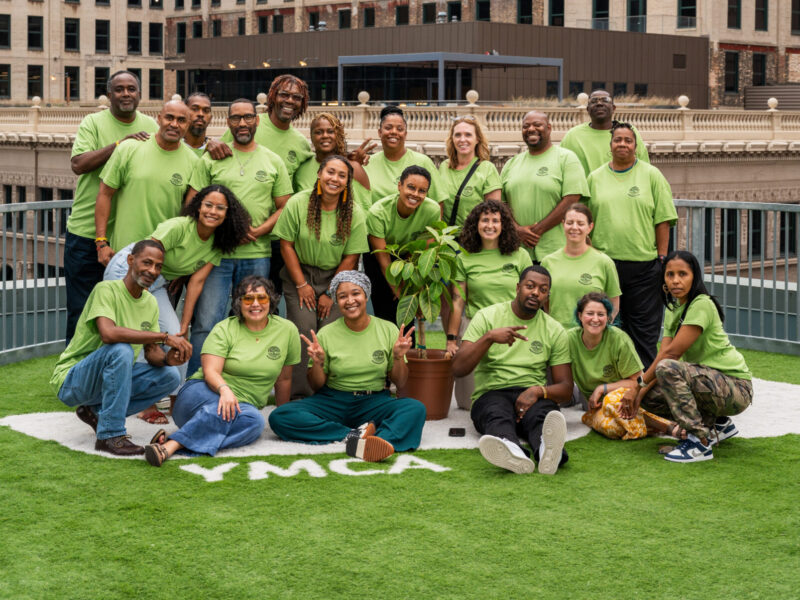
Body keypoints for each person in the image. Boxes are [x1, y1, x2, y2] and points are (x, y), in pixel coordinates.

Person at [103, 185, 252, 420]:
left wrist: (184, 325)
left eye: (220, 208)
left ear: (228, 213)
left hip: (158, 279)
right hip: (130, 270)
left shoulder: (217, 243)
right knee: (137, 335)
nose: (213, 211)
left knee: (177, 338)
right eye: (208, 205)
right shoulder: (178, 227)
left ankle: (174, 400)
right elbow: (148, 257)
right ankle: (144, 404)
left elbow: (196, 283)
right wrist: (138, 295)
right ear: (198, 207)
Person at [50, 240, 192, 455]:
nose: (152, 270)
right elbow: (108, 334)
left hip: (108, 380)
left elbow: (151, 350)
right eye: (147, 263)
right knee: (121, 350)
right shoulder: (106, 289)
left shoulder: (150, 302)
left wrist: (169, 359)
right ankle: (110, 435)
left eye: (158, 266)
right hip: (72, 381)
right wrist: (165, 336)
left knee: (170, 376)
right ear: (130, 260)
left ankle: (97, 413)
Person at [268, 271, 426, 463]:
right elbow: (317, 386)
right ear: (336, 301)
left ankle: (380, 441)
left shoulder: (388, 329)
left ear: (366, 296)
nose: (350, 300)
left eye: (356, 293)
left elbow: (400, 382)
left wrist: (398, 357)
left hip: (374, 400)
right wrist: (318, 363)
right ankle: (354, 436)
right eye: (342, 296)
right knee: (280, 416)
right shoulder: (326, 333)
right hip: (334, 400)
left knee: (415, 408)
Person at [185, 98, 293, 375]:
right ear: (228, 122)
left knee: (254, 321)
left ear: (257, 121)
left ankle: (246, 379)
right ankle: (198, 382)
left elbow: (284, 206)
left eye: (248, 117)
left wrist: (259, 230)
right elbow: (192, 204)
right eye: (236, 118)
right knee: (207, 321)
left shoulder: (273, 161)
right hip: (215, 255)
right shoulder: (212, 158)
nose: (242, 123)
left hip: (257, 256)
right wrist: (225, 231)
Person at [144, 276, 300, 466]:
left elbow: (284, 379)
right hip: (202, 394)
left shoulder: (287, 330)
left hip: (243, 408)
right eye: (248, 299)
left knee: (254, 423)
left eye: (262, 298)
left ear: (272, 300)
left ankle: (176, 440)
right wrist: (225, 390)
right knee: (226, 411)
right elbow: (211, 372)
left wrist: (282, 416)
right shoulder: (224, 328)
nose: (255, 304)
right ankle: (173, 446)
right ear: (238, 303)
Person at [625, 251, 753, 463]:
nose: (676, 280)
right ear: (663, 279)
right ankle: (718, 425)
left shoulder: (701, 303)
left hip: (736, 387)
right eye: (670, 274)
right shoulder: (674, 307)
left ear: (694, 277)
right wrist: (641, 393)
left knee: (667, 368)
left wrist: (637, 386)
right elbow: (663, 353)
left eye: (682, 274)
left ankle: (699, 443)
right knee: (650, 393)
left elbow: (671, 355)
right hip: (711, 383)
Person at [452, 266, 572, 475]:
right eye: (530, 286)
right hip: (492, 393)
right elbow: (459, 368)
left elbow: (565, 388)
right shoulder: (487, 316)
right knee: (497, 415)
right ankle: (512, 451)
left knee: (542, 417)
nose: (536, 293)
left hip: (532, 394)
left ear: (547, 296)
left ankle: (547, 450)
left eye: (543, 289)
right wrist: (488, 338)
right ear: (518, 288)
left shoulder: (554, 329)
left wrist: (537, 391)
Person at [65, 70, 157, 342]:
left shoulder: (152, 126)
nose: (125, 94)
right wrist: (120, 145)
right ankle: (71, 377)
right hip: (86, 234)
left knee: (124, 312)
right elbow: (78, 164)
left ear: (139, 94)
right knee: (81, 310)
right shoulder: (93, 122)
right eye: (119, 89)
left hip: (129, 240)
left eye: (131, 89)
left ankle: (114, 377)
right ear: (109, 95)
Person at [274, 155, 369, 399]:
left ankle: (332, 392)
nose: (334, 179)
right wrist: (302, 285)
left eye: (342, 175)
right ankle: (301, 396)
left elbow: (351, 257)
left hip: (338, 277)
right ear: (319, 174)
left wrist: (330, 292)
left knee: (330, 331)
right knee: (304, 328)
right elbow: (286, 246)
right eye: (330, 172)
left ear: (348, 182)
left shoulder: (353, 212)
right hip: (299, 272)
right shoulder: (298, 203)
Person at [586, 121, 677, 368]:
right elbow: (587, 222)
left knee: (643, 334)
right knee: (606, 327)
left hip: (644, 269)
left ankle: (643, 387)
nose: (622, 144)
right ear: (610, 145)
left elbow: (663, 219)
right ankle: (609, 383)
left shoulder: (651, 175)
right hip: (605, 267)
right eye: (618, 140)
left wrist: (661, 259)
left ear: (636, 146)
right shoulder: (595, 178)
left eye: (628, 140)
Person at [446, 200, 532, 410]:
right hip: (476, 326)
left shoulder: (520, 255)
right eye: (485, 220)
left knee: (517, 398)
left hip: (513, 327)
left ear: (504, 225)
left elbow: (531, 298)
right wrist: (451, 339)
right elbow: (458, 302)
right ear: (476, 224)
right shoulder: (463, 257)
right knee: (468, 404)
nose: (490, 225)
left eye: (496, 220)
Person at [95, 100, 198, 258]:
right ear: (159, 118)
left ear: (188, 124)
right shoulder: (129, 148)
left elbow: (189, 216)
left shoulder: (193, 162)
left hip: (164, 257)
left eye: (182, 120)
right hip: (125, 253)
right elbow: (105, 193)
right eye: (169, 118)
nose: (174, 124)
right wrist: (101, 243)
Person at [568, 292, 676, 440]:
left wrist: (602, 388)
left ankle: (665, 426)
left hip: (625, 397)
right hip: (596, 406)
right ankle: (652, 426)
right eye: (590, 313)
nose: (595, 319)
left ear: (608, 317)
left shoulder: (618, 339)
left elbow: (638, 381)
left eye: (601, 314)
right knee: (611, 429)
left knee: (611, 401)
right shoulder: (569, 339)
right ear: (580, 316)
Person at [500, 110, 588, 262]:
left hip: (555, 251)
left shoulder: (566, 158)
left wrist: (538, 230)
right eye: (526, 126)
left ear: (549, 128)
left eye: (537, 125)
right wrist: (517, 229)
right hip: (517, 251)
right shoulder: (511, 163)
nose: (531, 129)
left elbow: (572, 198)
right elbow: (500, 203)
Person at [365, 165, 440, 330]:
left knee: (408, 312)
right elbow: (384, 260)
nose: (415, 194)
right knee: (387, 303)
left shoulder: (432, 210)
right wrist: (399, 292)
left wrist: (416, 294)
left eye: (422, 191)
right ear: (400, 186)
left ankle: (408, 350)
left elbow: (426, 255)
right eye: (411, 187)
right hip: (380, 256)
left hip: (409, 256)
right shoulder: (378, 212)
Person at [540, 203, 621, 330]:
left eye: (580, 223)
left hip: (589, 338)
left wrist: (599, 328)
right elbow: (546, 303)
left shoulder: (604, 262)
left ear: (590, 227)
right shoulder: (548, 262)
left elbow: (614, 304)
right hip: (557, 335)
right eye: (570, 222)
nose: (574, 227)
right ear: (563, 224)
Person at [364, 106, 447, 206]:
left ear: (405, 134)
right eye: (388, 128)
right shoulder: (367, 163)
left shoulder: (423, 162)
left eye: (400, 129)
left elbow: (438, 203)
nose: (394, 132)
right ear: (379, 132)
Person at [293, 112, 373, 213]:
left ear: (338, 135)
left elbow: (364, 212)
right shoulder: (302, 169)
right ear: (311, 136)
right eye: (318, 132)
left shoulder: (354, 168)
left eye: (330, 131)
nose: (325, 136)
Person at [560, 88, 650, 176]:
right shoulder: (573, 136)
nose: (599, 103)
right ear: (588, 109)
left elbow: (644, 169)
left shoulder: (629, 132)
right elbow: (561, 168)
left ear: (613, 108)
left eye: (605, 100)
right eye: (594, 101)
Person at [439, 116, 501, 227]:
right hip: (446, 239)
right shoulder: (444, 167)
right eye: (458, 135)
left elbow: (493, 213)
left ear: (477, 139)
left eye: (468, 135)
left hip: (473, 239)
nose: (462, 139)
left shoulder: (487, 169)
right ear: (452, 139)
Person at [183, 91, 213, 156]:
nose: (201, 114)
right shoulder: (173, 146)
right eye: (195, 109)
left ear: (210, 118)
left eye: (206, 111)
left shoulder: (217, 151)